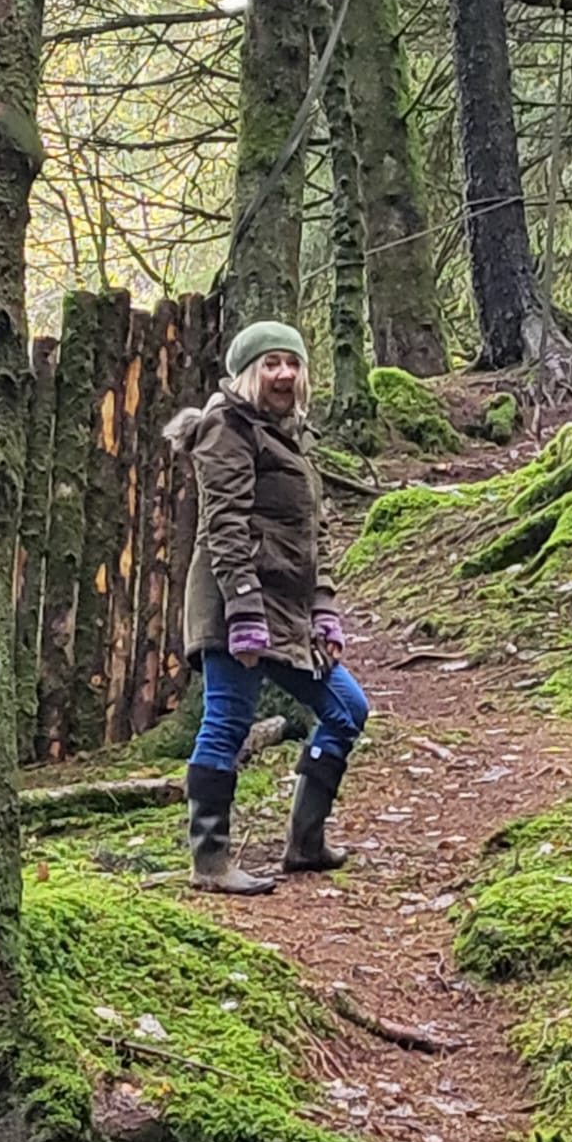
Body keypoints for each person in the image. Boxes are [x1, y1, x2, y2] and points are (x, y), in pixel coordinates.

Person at [164, 320, 369, 895]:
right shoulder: (226, 428)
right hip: (236, 605)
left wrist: (323, 608)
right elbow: (223, 526)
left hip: (289, 608)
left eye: (292, 363)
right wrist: (245, 612)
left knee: (347, 708)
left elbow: (311, 535)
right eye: (270, 364)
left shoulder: (291, 435)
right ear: (248, 373)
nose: (283, 374)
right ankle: (210, 863)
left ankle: (305, 843)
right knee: (227, 720)